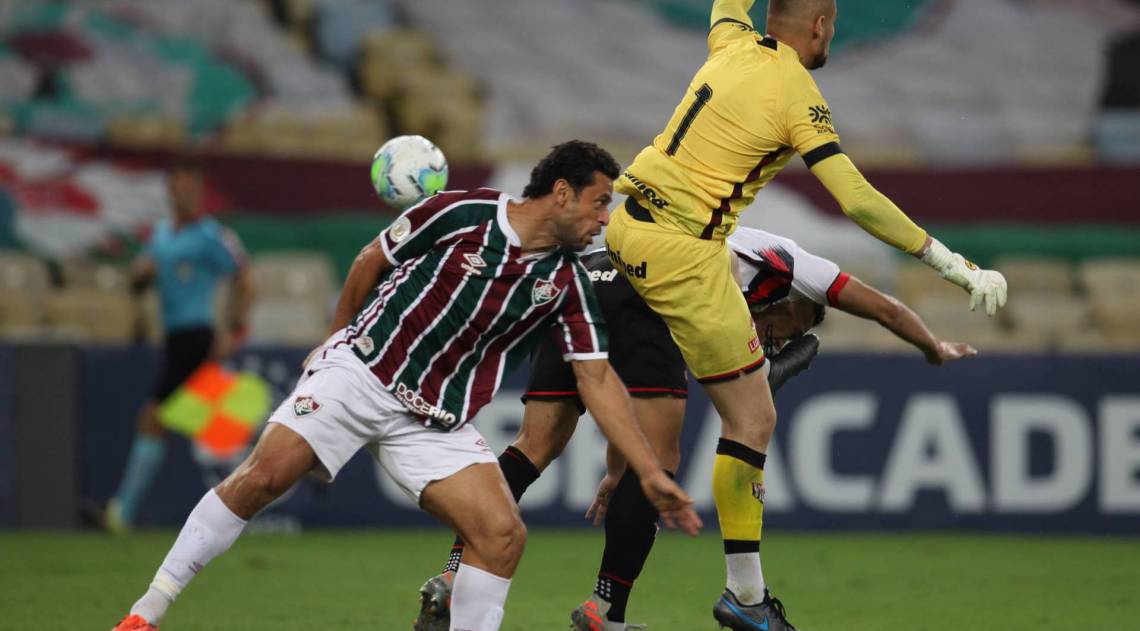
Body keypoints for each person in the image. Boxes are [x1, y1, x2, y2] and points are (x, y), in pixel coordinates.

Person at [111, 140, 701, 631]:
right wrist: (336, 338)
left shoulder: (568, 282)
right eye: (600, 204)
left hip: (434, 418)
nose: (605, 220)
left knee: (500, 535)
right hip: (363, 371)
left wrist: (647, 472)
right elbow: (372, 257)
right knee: (263, 477)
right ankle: (145, 614)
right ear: (562, 192)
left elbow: (595, 378)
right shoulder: (463, 211)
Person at [603, 0, 1007, 627]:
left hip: (624, 229)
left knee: (641, 424)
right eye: (833, 26)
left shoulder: (732, 40)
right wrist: (951, 262)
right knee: (753, 417)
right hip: (686, 252)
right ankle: (745, 598)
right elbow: (857, 199)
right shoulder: (798, 92)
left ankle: (594, 595)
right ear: (820, 24)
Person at [413, 225, 977, 631]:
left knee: (534, 446)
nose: (781, 334)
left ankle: (454, 572)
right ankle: (608, 610)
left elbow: (626, 392)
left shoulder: (730, 273)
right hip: (651, 287)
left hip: (586, 277)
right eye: (794, 324)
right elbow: (881, 307)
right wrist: (932, 345)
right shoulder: (798, 266)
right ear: (797, 301)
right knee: (664, 461)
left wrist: (618, 467)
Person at [104, 159, 254, 533]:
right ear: (169, 191)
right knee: (217, 425)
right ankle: (297, 456)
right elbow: (137, 281)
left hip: (197, 337)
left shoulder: (211, 236)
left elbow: (245, 280)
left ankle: (121, 512)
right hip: (174, 340)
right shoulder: (160, 236)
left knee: (153, 418)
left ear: (199, 193)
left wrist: (234, 330)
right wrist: (139, 277)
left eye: (191, 188)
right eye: (178, 187)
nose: (184, 194)